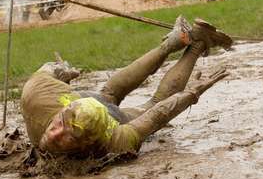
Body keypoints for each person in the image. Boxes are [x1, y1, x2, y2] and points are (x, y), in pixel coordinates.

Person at [22, 17, 231, 157]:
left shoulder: (113, 141)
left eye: (70, 136)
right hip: (72, 97)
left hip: (107, 115)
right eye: (59, 124)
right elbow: (47, 70)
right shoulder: (37, 98)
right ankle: (174, 41)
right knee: (107, 93)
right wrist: (63, 71)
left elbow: (156, 114)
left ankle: (197, 44)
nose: (54, 135)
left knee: (148, 103)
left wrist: (192, 93)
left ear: (90, 142)